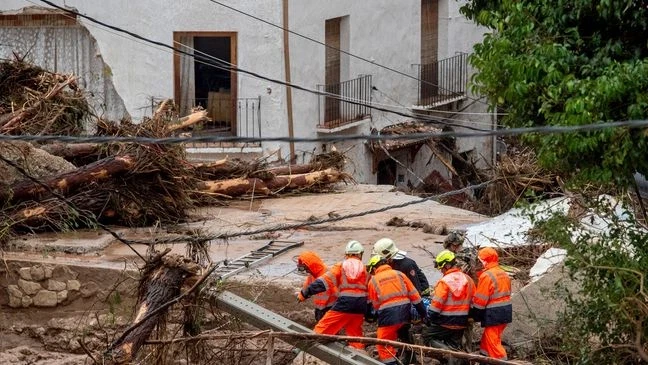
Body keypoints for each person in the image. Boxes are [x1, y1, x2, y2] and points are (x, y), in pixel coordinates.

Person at [298, 240, 368, 350]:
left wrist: (305, 293)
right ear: (360, 254)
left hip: (345, 304)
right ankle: (360, 355)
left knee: (322, 328)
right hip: (360, 305)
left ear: (347, 254)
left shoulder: (341, 266)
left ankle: (305, 351)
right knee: (355, 333)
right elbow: (372, 287)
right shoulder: (365, 268)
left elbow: (323, 282)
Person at [367, 238, 427, 365]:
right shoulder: (398, 271)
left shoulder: (405, 265)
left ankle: (394, 361)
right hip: (405, 308)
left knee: (383, 342)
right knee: (401, 332)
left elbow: (376, 305)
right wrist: (423, 313)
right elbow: (414, 295)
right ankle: (407, 357)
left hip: (400, 309)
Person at [422, 250, 476, 365]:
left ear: (446, 265)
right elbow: (473, 302)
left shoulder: (444, 282)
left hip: (445, 322)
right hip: (462, 322)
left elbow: (436, 307)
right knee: (454, 344)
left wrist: (429, 318)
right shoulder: (468, 280)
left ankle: (448, 353)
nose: (441, 271)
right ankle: (455, 357)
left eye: (441, 268)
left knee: (426, 335)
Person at [470, 247, 512, 360]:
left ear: (485, 260)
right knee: (487, 340)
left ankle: (503, 362)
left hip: (494, 314)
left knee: (493, 344)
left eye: (480, 260)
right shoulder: (503, 273)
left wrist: (475, 315)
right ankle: (484, 359)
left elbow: (480, 301)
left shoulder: (487, 276)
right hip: (506, 311)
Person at [295, 251, 338, 322]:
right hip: (319, 307)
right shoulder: (312, 274)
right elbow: (307, 284)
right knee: (319, 322)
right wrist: (302, 295)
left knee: (327, 327)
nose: (306, 271)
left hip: (330, 307)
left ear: (311, 265)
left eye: (306, 268)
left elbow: (337, 291)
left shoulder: (327, 273)